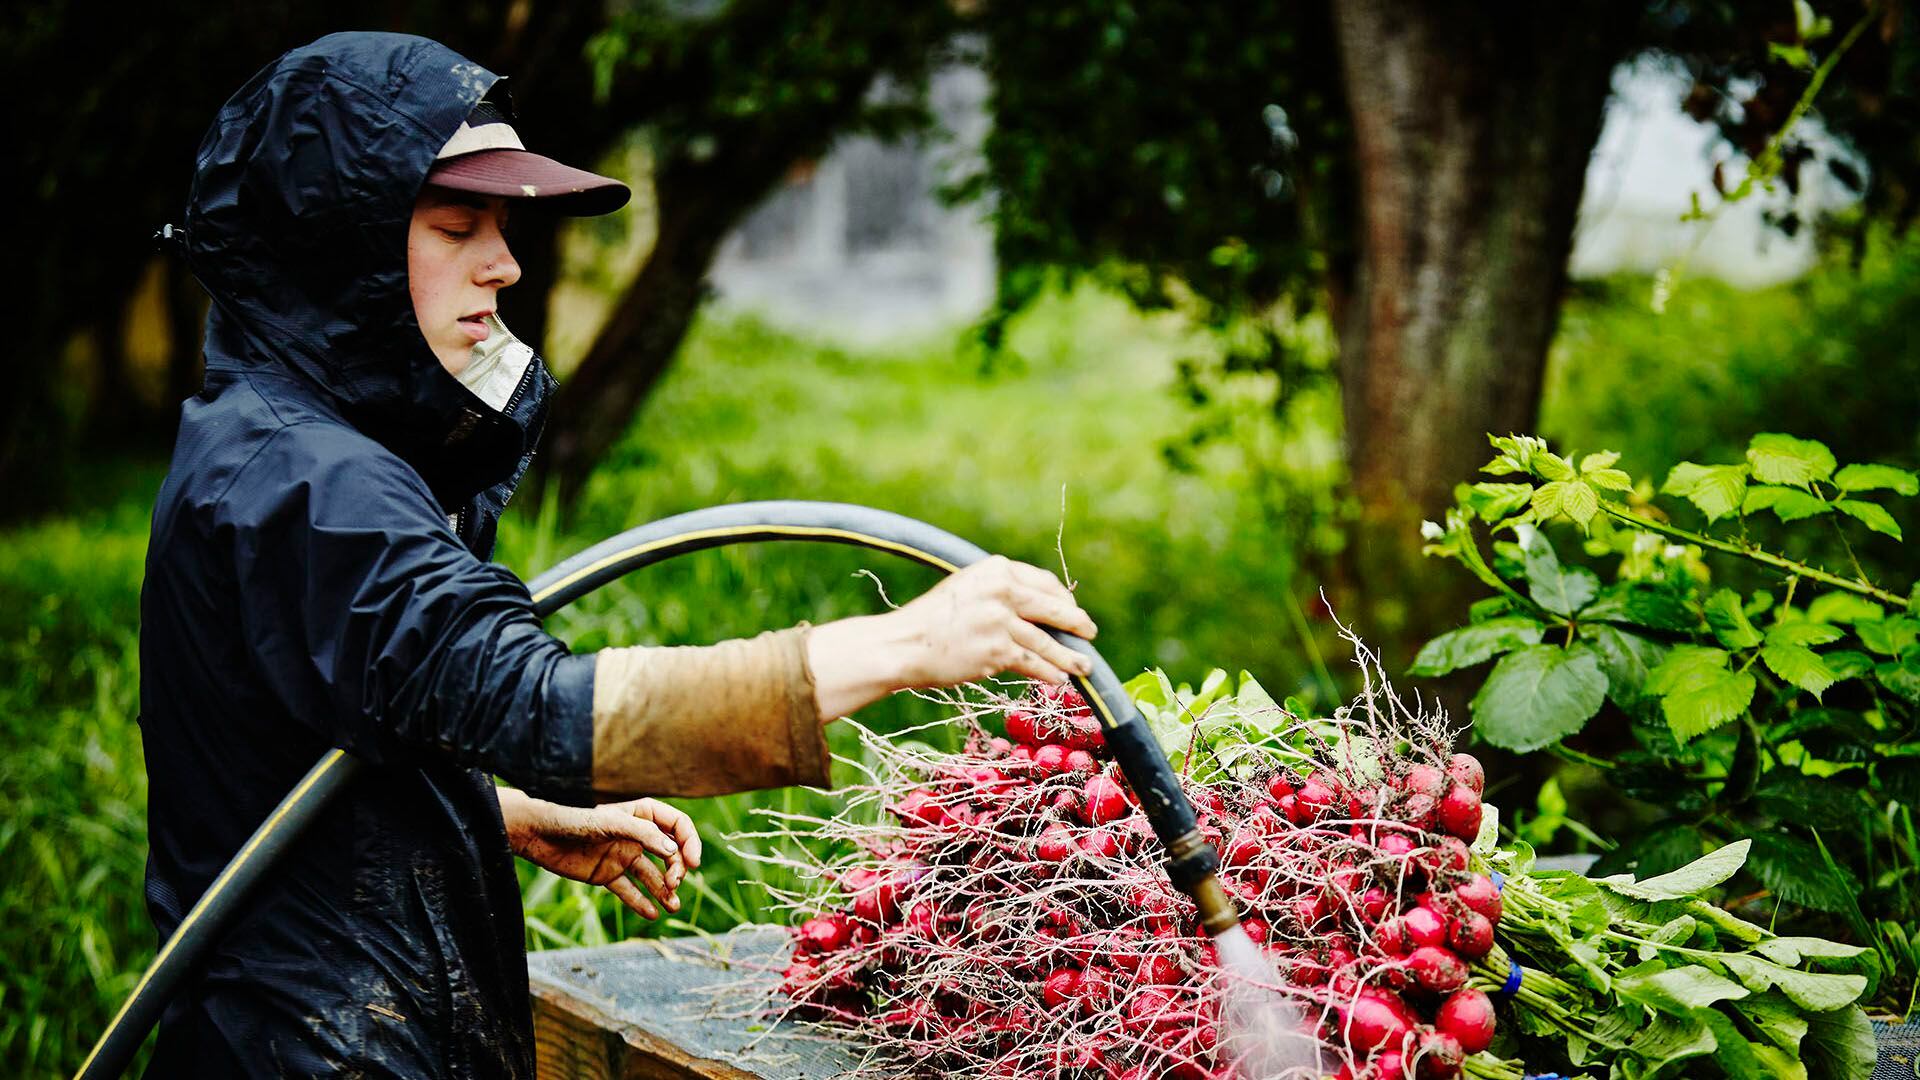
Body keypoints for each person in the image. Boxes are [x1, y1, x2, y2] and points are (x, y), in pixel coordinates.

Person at [141, 31, 1095, 1076]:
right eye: (458, 225)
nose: (502, 263)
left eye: (501, 228)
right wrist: (906, 644)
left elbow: (289, 740)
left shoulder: (276, 442)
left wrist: (489, 815)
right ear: (332, 249)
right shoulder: (313, 487)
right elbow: (537, 705)